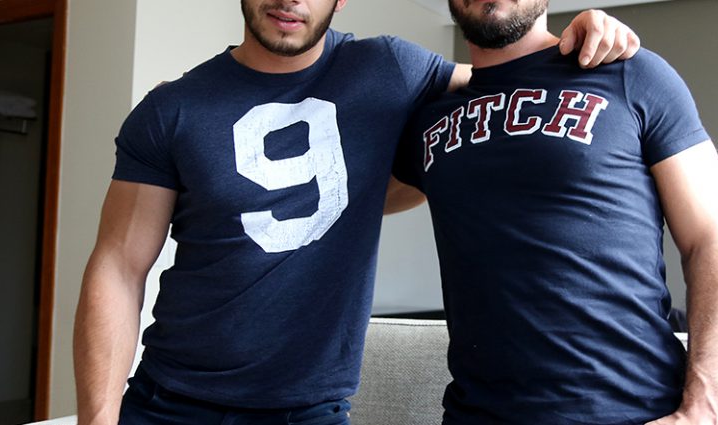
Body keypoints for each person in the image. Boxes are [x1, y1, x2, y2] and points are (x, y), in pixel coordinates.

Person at [71, 0, 641, 424]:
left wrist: (581, 35)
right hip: (168, 400)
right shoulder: (170, 109)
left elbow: (506, 84)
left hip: (309, 409)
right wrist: (99, 418)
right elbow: (118, 266)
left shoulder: (388, 66)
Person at [391, 0, 718, 424]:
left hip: (632, 411)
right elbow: (354, 196)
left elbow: (711, 240)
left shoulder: (630, 74)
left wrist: (703, 411)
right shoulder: (432, 117)